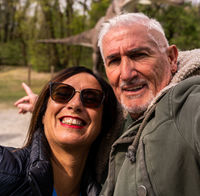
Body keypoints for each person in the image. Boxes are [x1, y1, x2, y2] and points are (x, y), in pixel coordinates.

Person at [97, 12, 200, 196]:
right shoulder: (115, 123)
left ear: (171, 59)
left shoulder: (186, 103)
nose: (127, 74)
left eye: (138, 55)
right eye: (114, 61)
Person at [1, 66, 122, 196]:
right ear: (43, 114)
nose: (75, 104)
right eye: (62, 94)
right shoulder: (4, 167)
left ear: (104, 122)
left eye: (91, 99)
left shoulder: (109, 190)